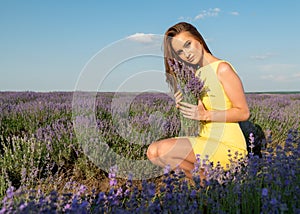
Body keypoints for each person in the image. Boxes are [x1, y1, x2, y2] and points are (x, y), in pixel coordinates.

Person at [146, 22, 250, 181]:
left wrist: (205, 115)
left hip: (228, 145)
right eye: (180, 52)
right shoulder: (198, 74)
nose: (186, 54)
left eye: (188, 44)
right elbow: (201, 112)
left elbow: (243, 112)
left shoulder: (222, 68)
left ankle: (207, 186)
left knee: (162, 150)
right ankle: (205, 184)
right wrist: (183, 104)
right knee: (153, 153)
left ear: (199, 40)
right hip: (205, 138)